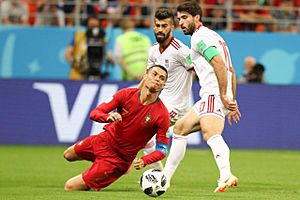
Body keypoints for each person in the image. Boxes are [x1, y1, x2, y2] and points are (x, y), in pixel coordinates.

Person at [162, 1, 241, 193]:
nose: (181, 22)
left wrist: (223, 95)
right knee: (180, 129)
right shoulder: (214, 36)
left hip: (214, 93)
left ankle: (226, 174)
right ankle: (165, 179)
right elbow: (232, 70)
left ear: (197, 18)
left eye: (185, 18)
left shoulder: (199, 38)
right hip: (215, 94)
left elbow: (219, 63)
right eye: (179, 18)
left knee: (211, 134)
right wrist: (232, 99)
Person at [63, 65, 170, 191]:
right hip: (103, 140)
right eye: (154, 74)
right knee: (68, 155)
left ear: (164, 85)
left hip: (118, 159)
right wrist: (107, 117)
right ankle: (99, 165)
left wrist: (144, 160)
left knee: (70, 186)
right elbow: (95, 113)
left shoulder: (162, 115)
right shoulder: (125, 94)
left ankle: (105, 169)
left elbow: (162, 150)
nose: (157, 79)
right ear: (145, 75)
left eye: (162, 78)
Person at [142, 7, 194, 170]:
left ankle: (159, 174)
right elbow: (147, 79)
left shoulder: (181, 51)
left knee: (145, 130)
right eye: (157, 25)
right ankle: (159, 173)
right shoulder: (153, 50)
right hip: (162, 102)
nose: (160, 29)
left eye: (164, 26)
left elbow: (200, 69)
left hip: (178, 106)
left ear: (172, 27)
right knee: (144, 137)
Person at [64, 15, 107, 80]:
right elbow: (67, 54)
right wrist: (78, 66)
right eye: (91, 23)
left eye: (95, 25)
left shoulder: (102, 38)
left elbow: (104, 55)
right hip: (77, 76)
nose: (93, 24)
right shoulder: (78, 36)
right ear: (87, 24)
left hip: (96, 74)